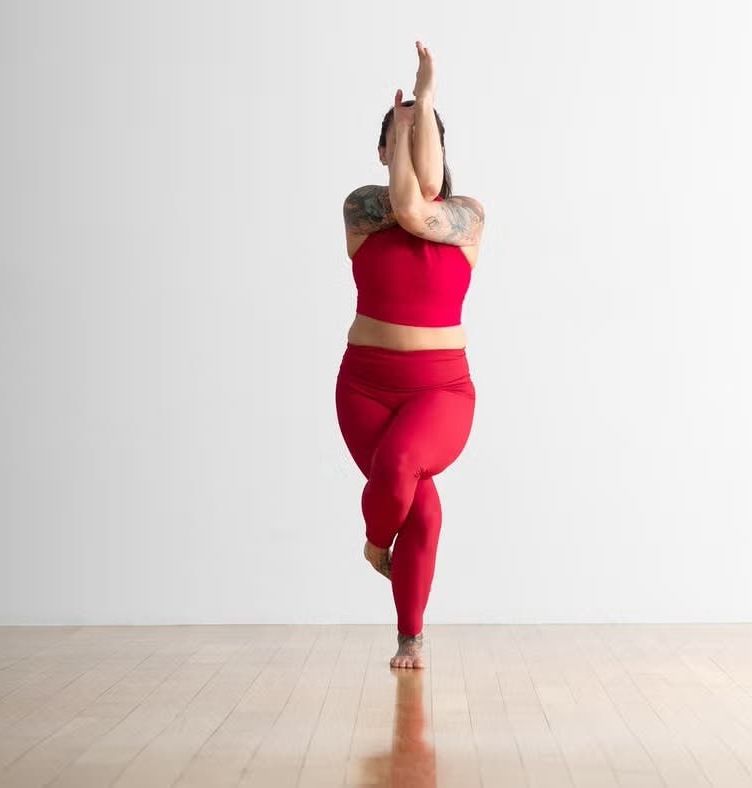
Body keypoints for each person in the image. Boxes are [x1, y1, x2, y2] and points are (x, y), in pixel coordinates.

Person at [336, 41, 486, 669]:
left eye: (422, 139)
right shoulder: (361, 211)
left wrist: (422, 103)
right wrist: (408, 126)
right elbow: (402, 202)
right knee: (418, 504)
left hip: (442, 392)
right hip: (364, 387)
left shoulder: (466, 217)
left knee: (400, 467)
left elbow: (419, 201)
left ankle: (375, 545)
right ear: (380, 154)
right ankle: (411, 635)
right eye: (393, 142)